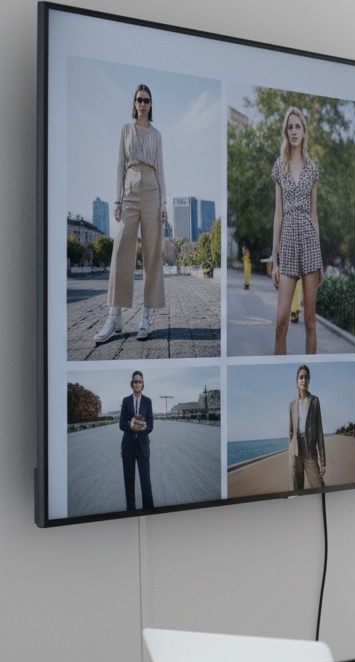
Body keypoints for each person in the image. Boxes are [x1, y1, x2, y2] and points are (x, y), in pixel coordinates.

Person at [95, 84, 167, 343]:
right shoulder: (125, 130)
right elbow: (119, 166)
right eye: (139, 100)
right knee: (120, 253)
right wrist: (117, 200)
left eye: (147, 100)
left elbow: (161, 169)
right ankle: (114, 315)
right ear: (134, 103)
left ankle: (147, 314)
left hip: (152, 190)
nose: (143, 104)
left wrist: (164, 203)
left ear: (151, 104)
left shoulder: (157, 135)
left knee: (152, 253)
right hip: (130, 189)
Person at [271, 107, 323, 355]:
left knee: (310, 321)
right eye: (290, 127)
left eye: (297, 127)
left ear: (304, 132)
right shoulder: (279, 166)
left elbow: (314, 214)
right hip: (288, 243)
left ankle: (310, 369)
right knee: (280, 324)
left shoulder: (312, 169)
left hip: (310, 244)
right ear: (286, 132)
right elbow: (278, 214)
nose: (293, 131)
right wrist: (275, 260)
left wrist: (320, 260)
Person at [119, 370, 154, 510]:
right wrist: (130, 425)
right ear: (132, 383)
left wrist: (144, 427)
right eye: (135, 381)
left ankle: (150, 513)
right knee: (129, 484)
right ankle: (131, 514)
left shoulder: (148, 401)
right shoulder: (125, 401)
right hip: (128, 447)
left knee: (146, 484)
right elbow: (121, 424)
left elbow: (151, 426)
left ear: (143, 384)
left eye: (140, 382)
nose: (137, 384)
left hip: (142, 447)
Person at [288, 364, 326, 490]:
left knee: (320, 486)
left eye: (306, 377)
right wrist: (291, 453)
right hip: (295, 452)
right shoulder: (292, 405)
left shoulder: (315, 401)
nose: (303, 380)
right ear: (297, 381)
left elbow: (319, 431)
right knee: (297, 490)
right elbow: (291, 432)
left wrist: (322, 462)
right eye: (301, 377)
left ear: (309, 380)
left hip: (310, 451)